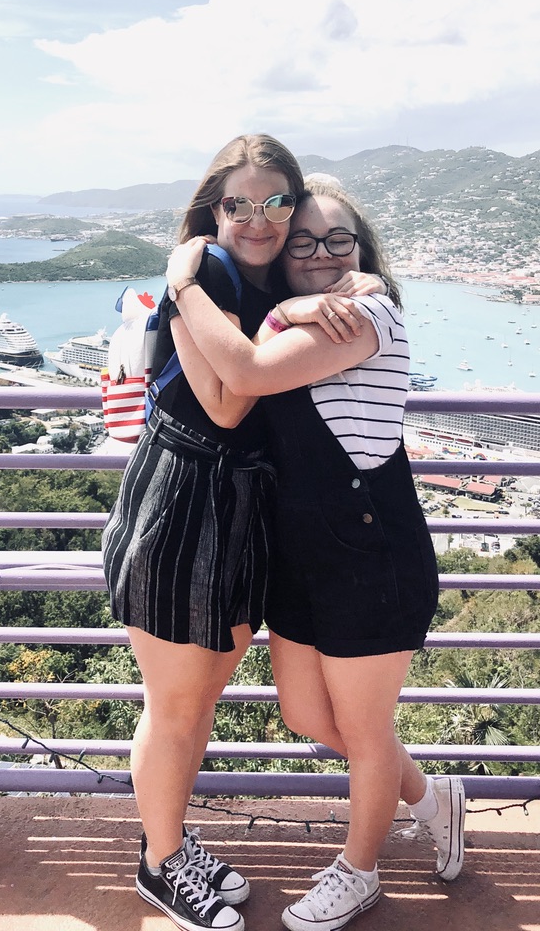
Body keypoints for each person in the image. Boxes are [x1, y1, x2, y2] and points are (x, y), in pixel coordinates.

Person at [165, 177, 466, 931]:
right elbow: (254, 360)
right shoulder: (294, 317)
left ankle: (359, 872)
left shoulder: (366, 311)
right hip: (299, 550)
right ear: (286, 257)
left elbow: (247, 374)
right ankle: (432, 799)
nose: (324, 254)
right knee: (305, 713)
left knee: (367, 734)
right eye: (305, 243)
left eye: (340, 240)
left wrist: (182, 283)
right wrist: (288, 307)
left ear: (363, 252)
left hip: (371, 549)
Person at [102, 138, 377, 931]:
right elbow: (226, 406)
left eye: (275, 202)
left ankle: (170, 841)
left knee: (202, 697)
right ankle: (158, 863)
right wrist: (183, 281)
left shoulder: (267, 283)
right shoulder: (208, 273)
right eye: (237, 205)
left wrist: (296, 304)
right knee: (176, 704)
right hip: (184, 505)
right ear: (211, 208)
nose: (257, 220)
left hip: (238, 512)